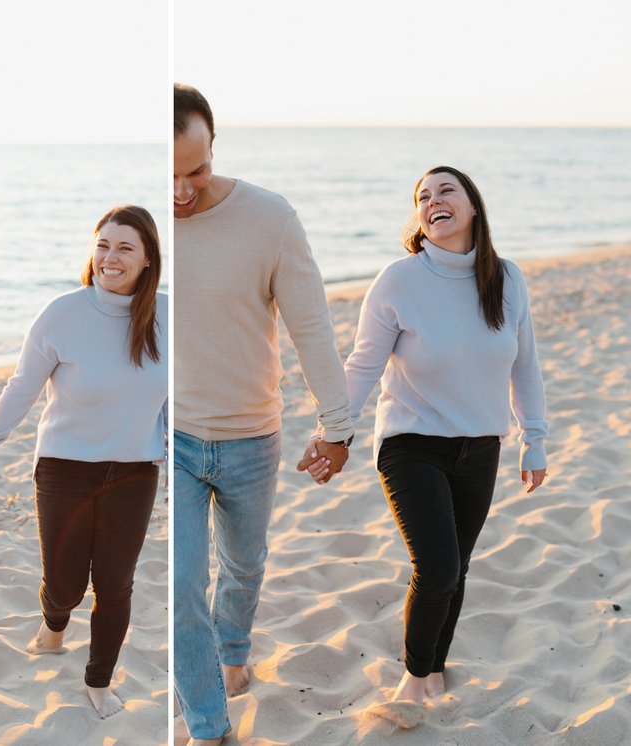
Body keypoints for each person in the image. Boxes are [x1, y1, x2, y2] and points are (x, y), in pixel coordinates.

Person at [172, 83, 355, 745]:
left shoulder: (270, 218)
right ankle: (209, 727)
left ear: (214, 147)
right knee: (183, 584)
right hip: (177, 438)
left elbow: (312, 328)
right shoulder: (140, 221)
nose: (182, 191)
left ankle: (234, 651)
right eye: (167, 175)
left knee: (244, 566)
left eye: (195, 170)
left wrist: (337, 427)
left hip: (252, 436)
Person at [340, 165, 548, 726]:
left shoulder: (507, 279)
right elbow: (363, 363)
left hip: (481, 445)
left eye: (445, 190)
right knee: (436, 566)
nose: (433, 200)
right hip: (411, 443)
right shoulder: (399, 280)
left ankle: (434, 669)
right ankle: (413, 675)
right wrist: (334, 429)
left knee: (458, 567)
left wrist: (536, 439)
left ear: (472, 206)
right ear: (420, 217)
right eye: (422, 196)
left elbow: (524, 365)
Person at [0, 204, 167, 720]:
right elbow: (21, 388)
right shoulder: (62, 314)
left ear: (147, 260)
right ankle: (53, 626)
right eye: (103, 245)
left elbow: (175, 399)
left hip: (135, 472)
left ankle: (99, 681)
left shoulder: (166, 315)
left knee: (115, 584)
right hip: (65, 469)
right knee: (66, 585)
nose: (110, 258)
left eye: (125, 248)